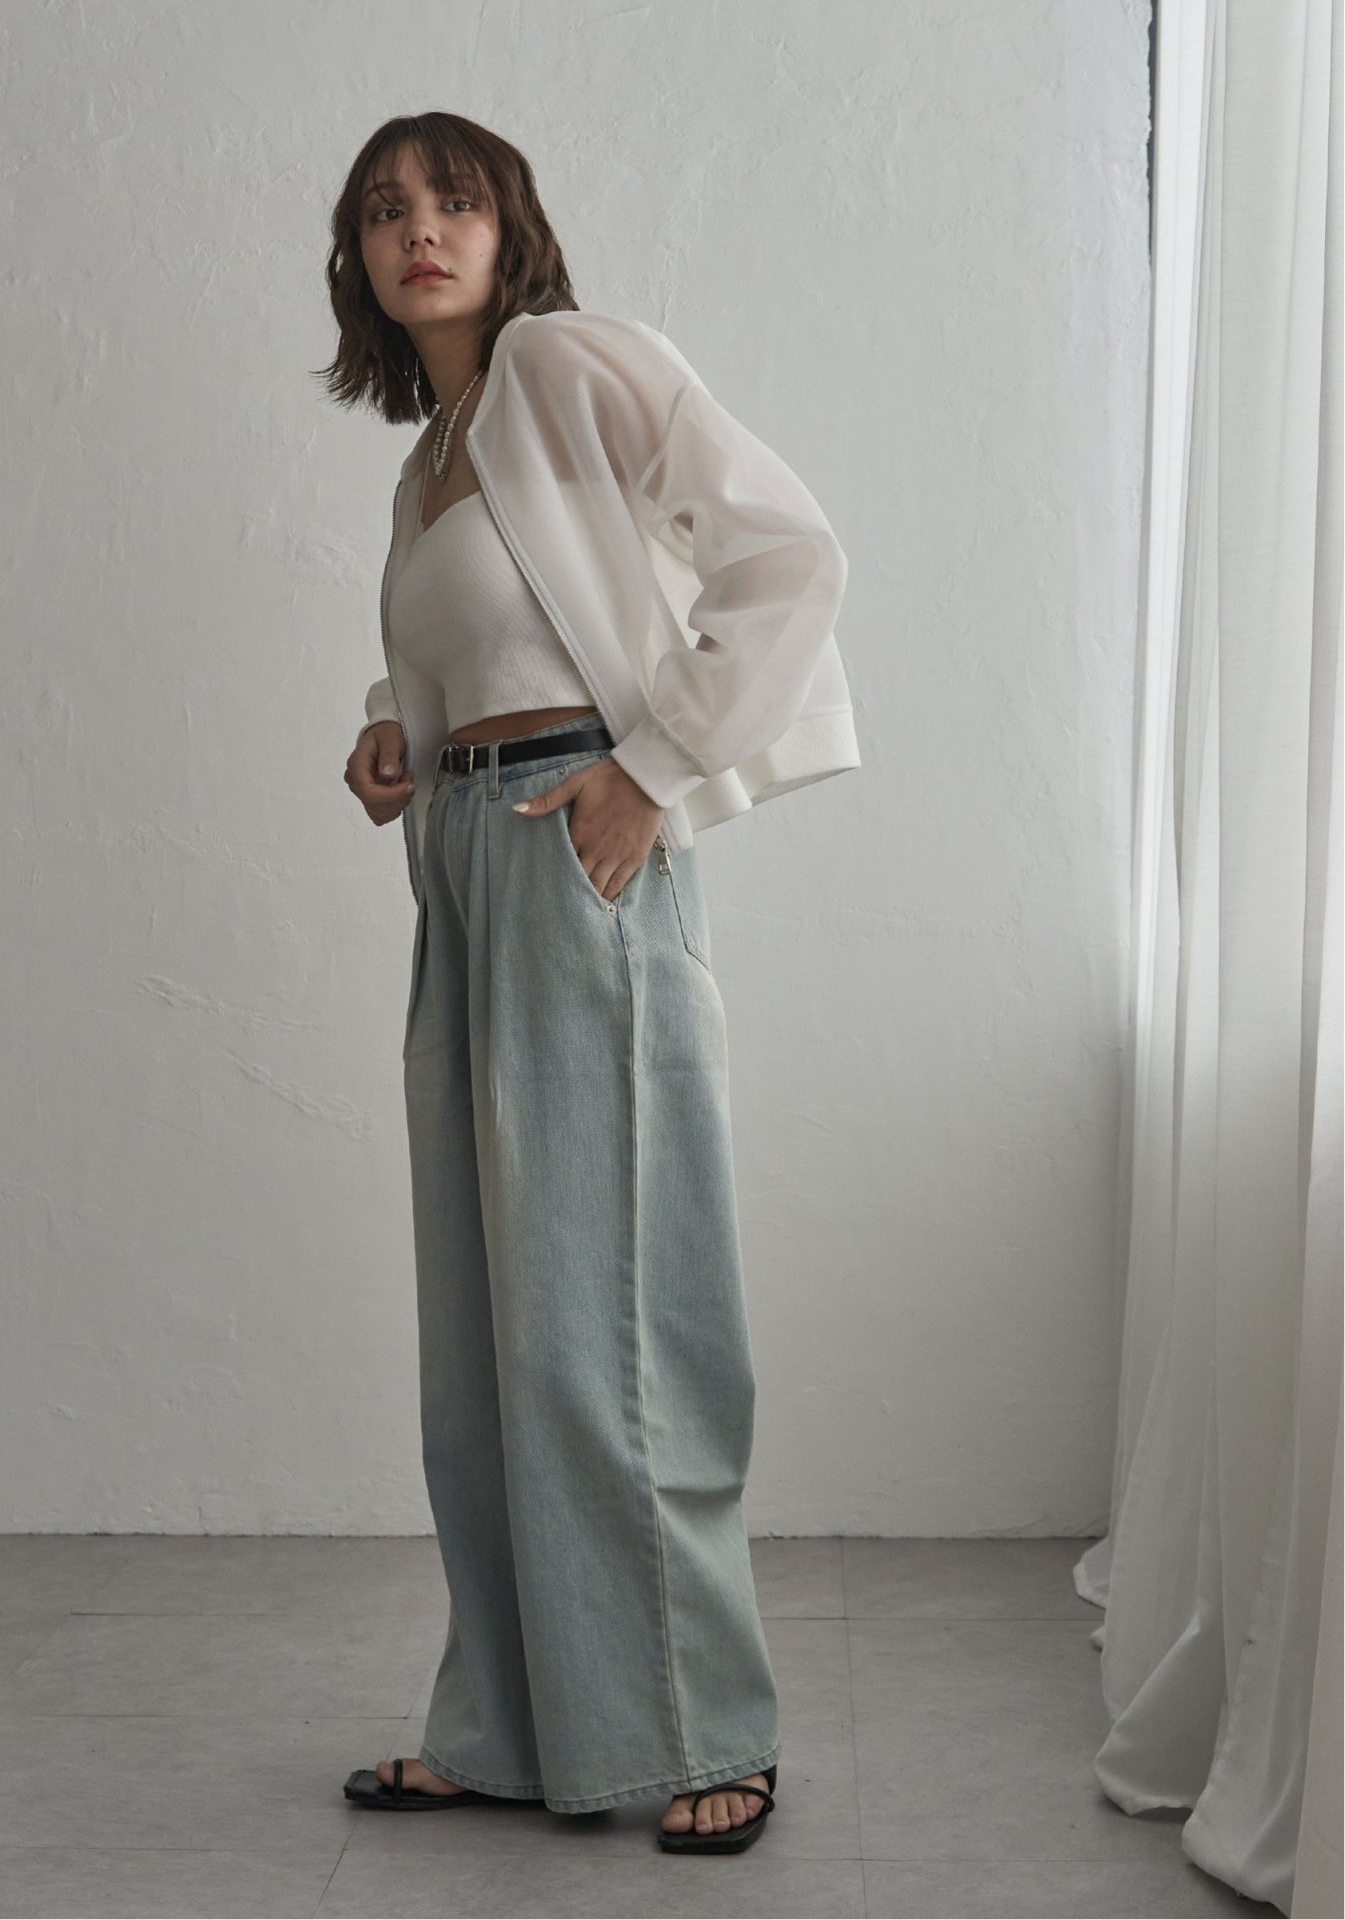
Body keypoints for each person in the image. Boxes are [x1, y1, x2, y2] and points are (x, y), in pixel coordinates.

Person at [321, 111, 858, 1854]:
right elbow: (483, 642)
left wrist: (654, 769)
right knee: (486, 1337)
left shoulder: (562, 366)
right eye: (386, 210)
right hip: (469, 858)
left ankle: (708, 1723)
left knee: (617, 1311)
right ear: (358, 260)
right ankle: (508, 1727)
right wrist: (397, 736)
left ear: (511, 228)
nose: (420, 229)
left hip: (579, 839)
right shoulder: (429, 459)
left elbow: (787, 552)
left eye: (453, 199)